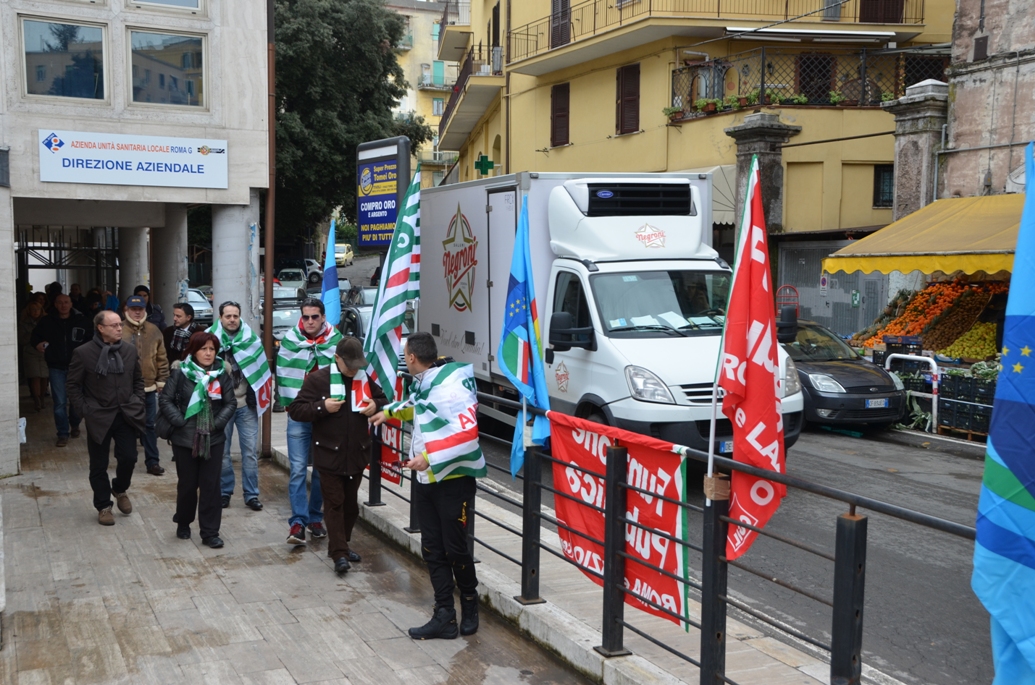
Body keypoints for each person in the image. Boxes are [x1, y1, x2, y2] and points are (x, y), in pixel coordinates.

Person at [370, 332, 487, 639]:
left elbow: (467, 435)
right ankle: (444, 614)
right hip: (426, 479)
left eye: (404, 355)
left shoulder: (451, 388)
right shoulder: (426, 382)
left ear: (411, 358)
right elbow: (417, 405)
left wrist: (428, 456)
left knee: (456, 549)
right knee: (432, 549)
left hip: (452, 481)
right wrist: (388, 411)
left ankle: (471, 604)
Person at [288, 337, 386, 574]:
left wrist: (376, 404)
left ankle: (341, 544)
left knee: (351, 506)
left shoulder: (364, 379)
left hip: (356, 454)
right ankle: (339, 554)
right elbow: (296, 410)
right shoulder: (319, 379)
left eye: (357, 364)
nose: (354, 369)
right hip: (328, 455)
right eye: (349, 364)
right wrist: (322, 407)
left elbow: (384, 399)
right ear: (337, 359)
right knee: (334, 504)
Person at [67, 310, 146, 526]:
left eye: (120, 324)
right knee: (98, 464)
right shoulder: (83, 353)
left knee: (129, 457)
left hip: (126, 414)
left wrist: (138, 401)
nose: (120, 328)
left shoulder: (129, 351)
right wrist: (84, 410)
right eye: (114, 325)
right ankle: (103, 506)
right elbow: (73, 385)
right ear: (101, 328)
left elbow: (138, 379)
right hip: (98, 416)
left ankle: (119, 488)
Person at [159, 332, 237, 547]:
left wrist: (216, 424)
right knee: (187, 485)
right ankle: (183, 521)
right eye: (204, 349)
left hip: (214, 438)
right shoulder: (180, 373)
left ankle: (210, 532)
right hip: (185, 439)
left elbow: (230, 403)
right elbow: (165, 399)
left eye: (212, 349)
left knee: (211, 486)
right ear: (194, 351)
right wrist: (181, 421)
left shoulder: (222, 374)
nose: (208, 353)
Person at [276, 297, 341, 545]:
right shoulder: (291, 341)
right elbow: (282, 374)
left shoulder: (337, 341)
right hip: (299, 415)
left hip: (327, 417)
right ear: (301, 318)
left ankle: (315, 518)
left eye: (315, 316)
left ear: (323, 317)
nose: (310, 321)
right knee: (297, 471)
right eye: (306, 317)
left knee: (322, 472)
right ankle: (297, 523)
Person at [211, 301, 271, 512]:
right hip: (221, 406)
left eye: (235, 316)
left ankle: (251, 494)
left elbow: (262, 370)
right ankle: (225, 492)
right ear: (220, 318)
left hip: (246, 404)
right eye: (227, 316)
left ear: (240, 317)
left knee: (250, 452)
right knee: (223, 453)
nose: (232, 320)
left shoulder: (251, 339)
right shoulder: (211, 340)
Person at [30, 294, 92, 446]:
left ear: (71, 304)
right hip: (56, 367)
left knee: (76, 401)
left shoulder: (82, 320)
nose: (63, 305)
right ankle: (62, 433)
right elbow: (34, 338)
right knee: (59, 402)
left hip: (77, 367)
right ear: (55, 305)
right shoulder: (47, 321)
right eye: (60, 303)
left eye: (66, 302)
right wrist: (38, 345)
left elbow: (91, 339)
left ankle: (75, 424)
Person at [124, 295, 170, 476]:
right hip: (126, 389)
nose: (137, 312)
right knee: (127, 425)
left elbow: (162, 358)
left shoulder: (154, 330)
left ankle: (152, 462)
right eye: (133, 309)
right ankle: (127, 460)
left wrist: (162, 380)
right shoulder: (119, 328)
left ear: (145, 310)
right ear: (126, 310)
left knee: (149, 425)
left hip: (149, 387)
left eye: (140, 309)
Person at [19, 301, 50, 412]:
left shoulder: (47, 322)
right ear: (29, 311)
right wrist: (34, 334)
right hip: (30, 352)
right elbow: (21, 339)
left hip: (44, 351)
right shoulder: (24, 323)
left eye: (38, 309)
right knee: (35, 376)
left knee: (44, 377)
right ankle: (36, 400)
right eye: (33, 309)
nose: (36, 312)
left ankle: (42, 398)